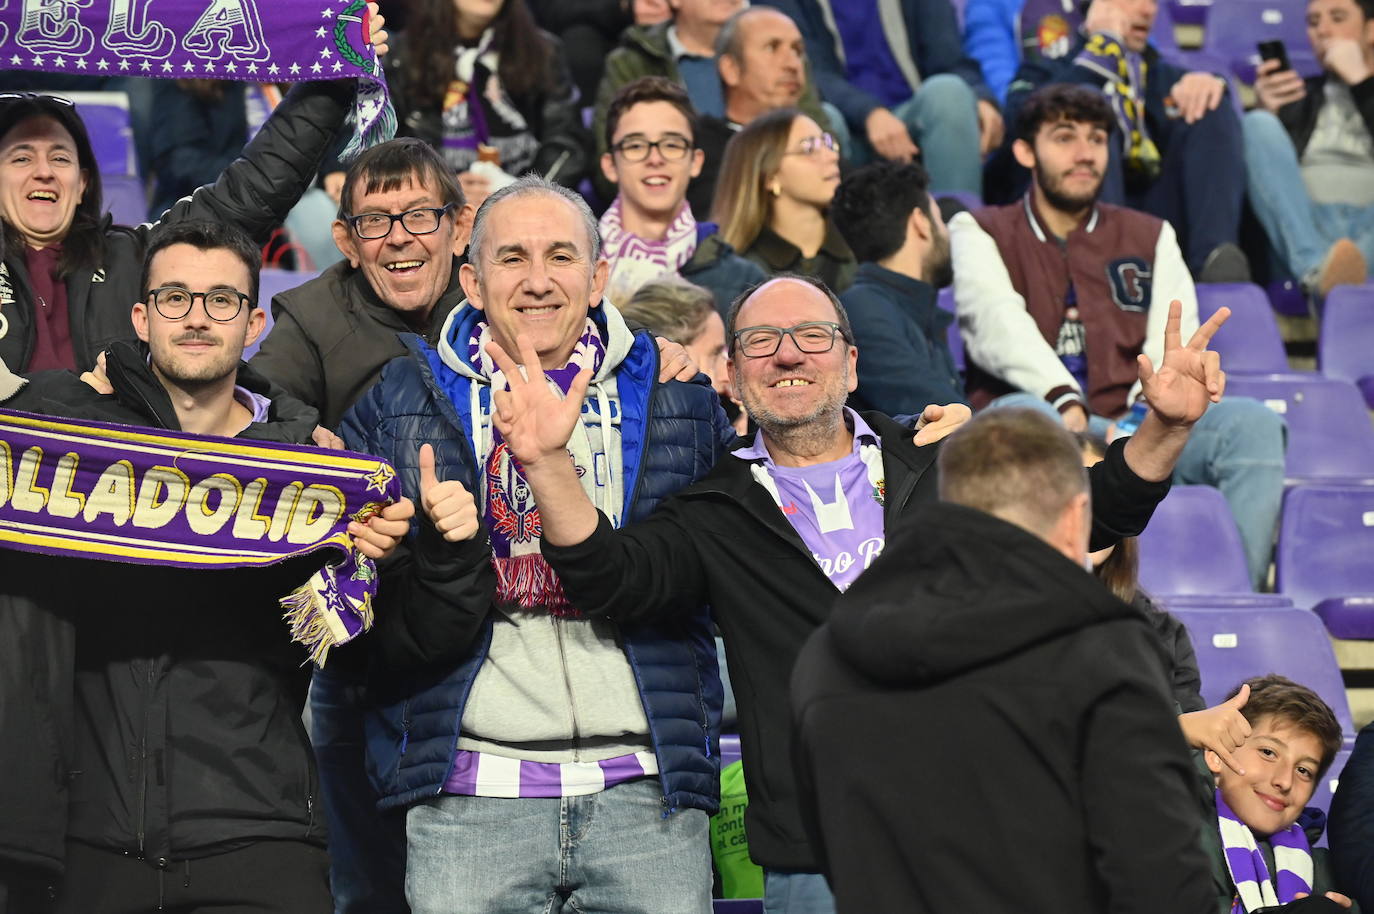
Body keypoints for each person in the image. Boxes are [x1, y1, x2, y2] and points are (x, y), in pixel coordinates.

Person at [500, 265, 1230, 914]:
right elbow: (611, 578)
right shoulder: (712, 513)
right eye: (760, 341)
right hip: (819, 858)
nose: (787, 353)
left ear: (852, 364)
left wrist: (1164, 425)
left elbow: (1093, 505)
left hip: (982, 837)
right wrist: (546, 462)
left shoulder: (938, 460)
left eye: (812, 336)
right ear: (734, 376)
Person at [340, 175, 727, 914]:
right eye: (513, 259)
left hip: (647, 794)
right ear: (472, 281)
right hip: (467, 797)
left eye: (561, 256)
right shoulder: (395, 402)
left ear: (599, 275)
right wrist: (413, 552)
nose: (540, 281)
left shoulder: (679, 397)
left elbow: (691, 583)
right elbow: (367, 631)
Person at [0, 220, 410, 913]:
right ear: (141, 317)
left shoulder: (312, 469)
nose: (196, 317)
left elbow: (356, 648)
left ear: (253, 322)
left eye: (221, 300)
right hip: (90, 846)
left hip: (263, 842)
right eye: (175, 298)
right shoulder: (62, 441)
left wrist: (386, 562)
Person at [788, 408, 1214, 912]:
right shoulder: (1101, 650)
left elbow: (834, 849)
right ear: (1079, 517)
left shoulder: (824, 655)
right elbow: (1164, 881)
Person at [950, 83, 1286, 586]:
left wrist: (1136, 419)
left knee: (1252, 425)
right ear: (1024, 151)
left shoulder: (1150, 234)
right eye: (1065, 137)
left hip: (1134, 413)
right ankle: (1041, 601)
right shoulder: (979, 228)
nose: (1085, 153)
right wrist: (1066, 402)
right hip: (1033, 410)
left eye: (1097, 138)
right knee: (1033, 423)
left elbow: (1171, 339)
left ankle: (1239, 602)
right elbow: (996, 326)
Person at [0, 7, 386, 376]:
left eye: (61, 158)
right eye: (21, 158)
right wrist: (71, 393)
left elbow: (253, 192)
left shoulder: (132, 258)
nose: (44, 172)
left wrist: (335, 69)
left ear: (83, 183)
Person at [1004, 0, 1249, 280]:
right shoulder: (1046, 70)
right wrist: (1101, 53)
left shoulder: (1164, 75)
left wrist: (1209, 84)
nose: (1149, 11)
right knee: (1089, 104)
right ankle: (1103, 267)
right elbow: (1016, 128)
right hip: (1072, 218)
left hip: (1157, 212)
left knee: (1210, 100)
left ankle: (1214, 265)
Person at [251, 137, 474, 432]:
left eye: (419, 216)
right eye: (375, 220)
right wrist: (300, 429)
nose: (398, 238)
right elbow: (255, 400)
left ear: (459, 230)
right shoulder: (314, 316)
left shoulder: (498, 300)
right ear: (348, 243)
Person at [592, 0, 833, 202]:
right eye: (770, 48)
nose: (790, 60)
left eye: (796, 50)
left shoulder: (786, 61)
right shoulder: (633, 61)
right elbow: (615, 161)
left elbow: (818, 131)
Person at [763, 0, 1003, 195]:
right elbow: (811, 74)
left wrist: (981, 98)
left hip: (912, 116)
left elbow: (950, 60)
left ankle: (957, 231)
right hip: (845, 122)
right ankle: (834, 248)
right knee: (822, 122)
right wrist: (870, 113)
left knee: (949, 93)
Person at [383, 0, 588, 210]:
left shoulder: (544, 51)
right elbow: (388, 152)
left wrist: (522, 193)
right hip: (433, 212)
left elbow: (567, 145)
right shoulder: (400, 56)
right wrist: (440, 188)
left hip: (529, 209)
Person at [599, 77, 766, 310]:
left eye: (672, 145)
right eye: (635, 146)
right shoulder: (576, 266)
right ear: (610, 166)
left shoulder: (743, 282)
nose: (655, 159)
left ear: (696, 162)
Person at [1243, 0, 1373, 298]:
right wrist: (1270, 112)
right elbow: (1274, 184)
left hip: (1370, 230)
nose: (1323, 31)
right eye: (1313, 22)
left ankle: (1327, 278)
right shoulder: (1301, 95)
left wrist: (1362, 82)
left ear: (1371, 30)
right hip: (1306, 228)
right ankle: (1316, 271)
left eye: (1337, 18)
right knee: (1257, 124)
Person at [1197, 675, 1352, 912]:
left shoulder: (1329, 872)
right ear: (1216, 755)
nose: (1284, 781)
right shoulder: (1180, 839)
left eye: (1303, 770)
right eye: (1268, 752)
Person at [828, 160, 966, 416]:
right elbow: (946, 417)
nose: (946, 234)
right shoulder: (863, 311)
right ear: (920, 222)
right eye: (939, 219)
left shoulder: (913, 307)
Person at [687, 6, 838, 217]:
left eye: (797, 50)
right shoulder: (705, 152)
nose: (793, 64)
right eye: (772, 47)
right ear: (732, 69)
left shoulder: (820, 143)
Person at [712, 108, 857, 293]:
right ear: (770, 177)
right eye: (809, 148)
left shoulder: (864, 247)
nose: (832, 156)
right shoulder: (739, 275)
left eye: (827, 143)